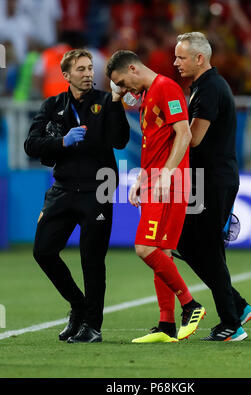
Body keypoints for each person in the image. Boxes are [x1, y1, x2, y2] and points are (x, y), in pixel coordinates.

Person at [24, 49, 130, 343]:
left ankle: (92, 326)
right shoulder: (53, 105)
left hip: (98, 189)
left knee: (91, 259)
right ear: (66, 75)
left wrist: (118, 104)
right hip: (64, 189)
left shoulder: (106, 101)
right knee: (43, 252)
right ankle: (78, 306)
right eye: (81, 69)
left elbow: (120, 140)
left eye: (90, 68)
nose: (87, 74)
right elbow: (31, 145)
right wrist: (62, 141)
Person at [106, 50, 206, 343]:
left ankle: (191, 304)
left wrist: (164, 175)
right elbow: (155, 144)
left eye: (123, 82)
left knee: (144, 248)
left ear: (134, 68)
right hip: (154, 180)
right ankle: (166, 325)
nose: (124, 90)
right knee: (159, 252)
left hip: (169, 182)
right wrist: (142, 177)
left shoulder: (166, 88)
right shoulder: (149, 95)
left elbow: (184, 134)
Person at [173, 32, 251, 341]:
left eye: (181, 57)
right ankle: (237, 305)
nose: (175, 62)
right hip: (206, 180)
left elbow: (193, 138)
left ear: (199, 58)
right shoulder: (205, 87)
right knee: (186, 242)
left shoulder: (209, 89)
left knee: (205, 248)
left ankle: (231, 324)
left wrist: (168, 130)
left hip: (212, 180)